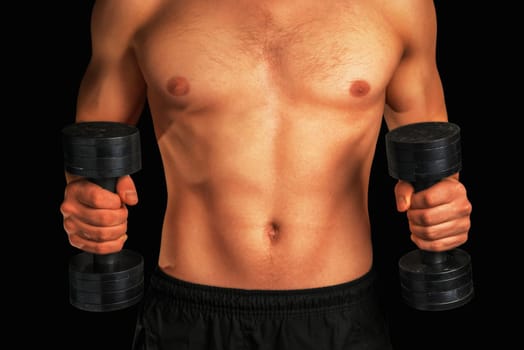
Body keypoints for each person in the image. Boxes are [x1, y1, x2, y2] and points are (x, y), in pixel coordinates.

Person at [60, 0, 472, 349]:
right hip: (190, 317)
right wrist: (85, 205)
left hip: (341, 319)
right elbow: (91, 152)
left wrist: (444, 209)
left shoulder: (398, 6)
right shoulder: (138, 6)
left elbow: (431, 156)